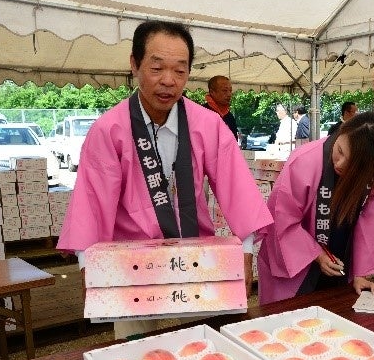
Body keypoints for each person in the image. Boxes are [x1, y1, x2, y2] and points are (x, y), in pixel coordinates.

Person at [57, 20, 273, 339]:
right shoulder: (109, 130)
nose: (168, 81)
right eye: (157, 68)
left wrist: (246, 251)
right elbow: (91, 204)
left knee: (215, 340)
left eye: (180, 71)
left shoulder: (208, 125)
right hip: (131, 259)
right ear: (134, 64)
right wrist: (88, 268)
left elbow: (237, 188)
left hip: (196, 252)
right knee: (134, 348)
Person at [257, 112, 374, 304]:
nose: (340, 164)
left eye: (351, 164)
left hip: (343, 257)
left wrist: (361, 273)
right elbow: (282, 218)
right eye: (340, 151)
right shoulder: (305, 161)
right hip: (297, 264)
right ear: (342, 131)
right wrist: (316, 253)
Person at [202, 75, 238, 140]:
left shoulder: (229, 117)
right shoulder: (201, 113)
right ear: (212, 92)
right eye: (225, 90)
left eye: (230, 90)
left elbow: (234, 144)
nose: (229, 94)